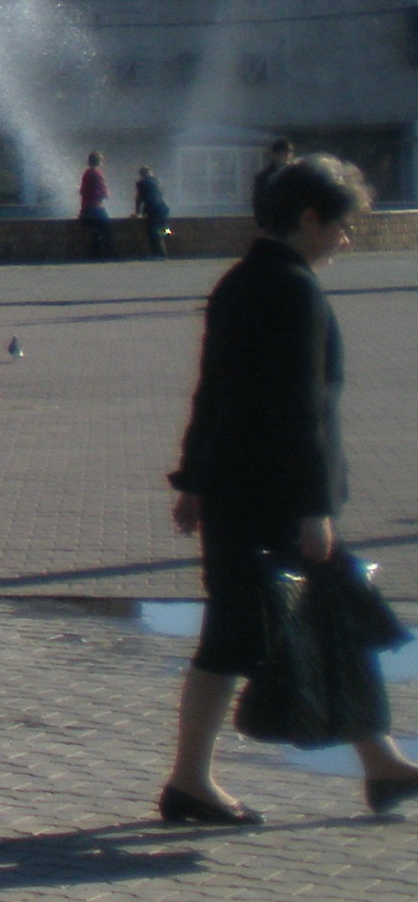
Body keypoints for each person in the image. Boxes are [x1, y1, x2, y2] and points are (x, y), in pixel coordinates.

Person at [159, 153, 418, 824]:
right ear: (310, 218)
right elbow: (299, 409)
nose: (347, 239)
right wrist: (313, 510)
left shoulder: (241, 281)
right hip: (272, 500)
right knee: (234, 637)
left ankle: (382, 763)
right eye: (342, 225)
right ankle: (189, 783)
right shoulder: (293, 289)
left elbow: (212, 390)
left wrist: (192, 481)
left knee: (330, 617)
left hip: (236, 490)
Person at [76, 150, 113, 258]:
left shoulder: (86, 173)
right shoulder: (97, 173)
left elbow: (83, 191)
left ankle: (96, 249)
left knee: (99, 229)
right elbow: (103, 192)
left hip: (85, 210)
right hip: (95, 209)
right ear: (99, 162)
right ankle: (107, 253)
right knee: (107, 226)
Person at [133, 165, 173, 258]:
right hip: (163, 208)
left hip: (153, 210)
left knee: (152, 232)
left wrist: (137, 212)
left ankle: (159, 254)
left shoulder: (141, 183)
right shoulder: (158, 181)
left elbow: (139, 198)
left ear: (141, 174)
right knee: (163, 228)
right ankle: (169, 233)